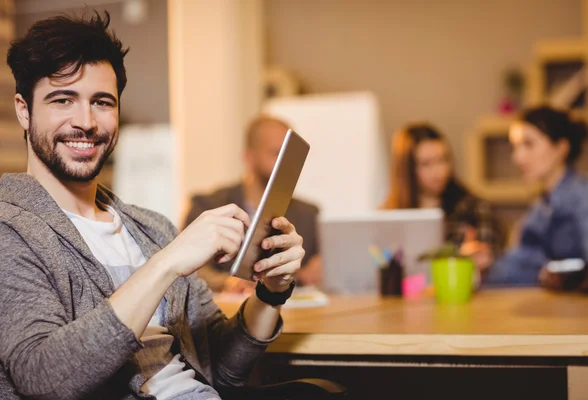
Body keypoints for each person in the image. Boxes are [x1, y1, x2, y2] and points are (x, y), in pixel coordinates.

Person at [0, 12, 306, 399]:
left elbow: (223, 370)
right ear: (24, 110)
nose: (86, 121)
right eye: (63, 100)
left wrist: (271, 293)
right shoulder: (9, 229)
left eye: (102, 102)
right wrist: (164, 264)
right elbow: (44, 378)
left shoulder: (151, 228)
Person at [184, 115, 321, 293]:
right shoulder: (208, 206)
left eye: (288, 156)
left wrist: (316, 271)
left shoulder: (308, 214)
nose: (284, 164)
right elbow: (189, 267)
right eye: (276, 153)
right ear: (249, 157)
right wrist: (225, 282)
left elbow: (315, 267)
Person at [484, 106, 588, 290]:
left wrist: (560, 275)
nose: (518, 157)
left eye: (529, 144)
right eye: (515, 147)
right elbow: (520, 263)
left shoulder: (585, 196)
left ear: (561, 148)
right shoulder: (541, 204)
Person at [381, 123, 503, 270]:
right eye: (426, 164)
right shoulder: (388, 216)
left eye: (443, 160)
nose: (438, 171)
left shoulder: (474, 209)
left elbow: (495, 257)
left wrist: (469, 258)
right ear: (407, 169)